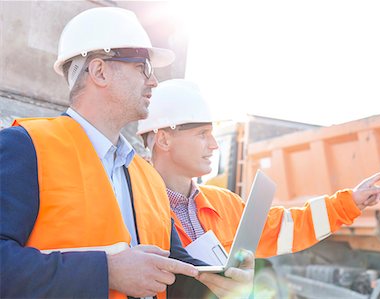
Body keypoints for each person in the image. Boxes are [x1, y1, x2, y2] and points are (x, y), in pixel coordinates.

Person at [0, 7, 254, 299]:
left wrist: (221, 282)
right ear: (100, 71)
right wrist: (108, 272)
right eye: (142, 67)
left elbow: (173, 273)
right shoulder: (25, 146)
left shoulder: (148, 178)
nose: (154, 81)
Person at [136, 79, 380, 258]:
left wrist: (350, 203)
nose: (214, 145)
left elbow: (288, 227)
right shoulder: (131, 204)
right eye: (202, 134)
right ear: (164, 139)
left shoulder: (225, 204)